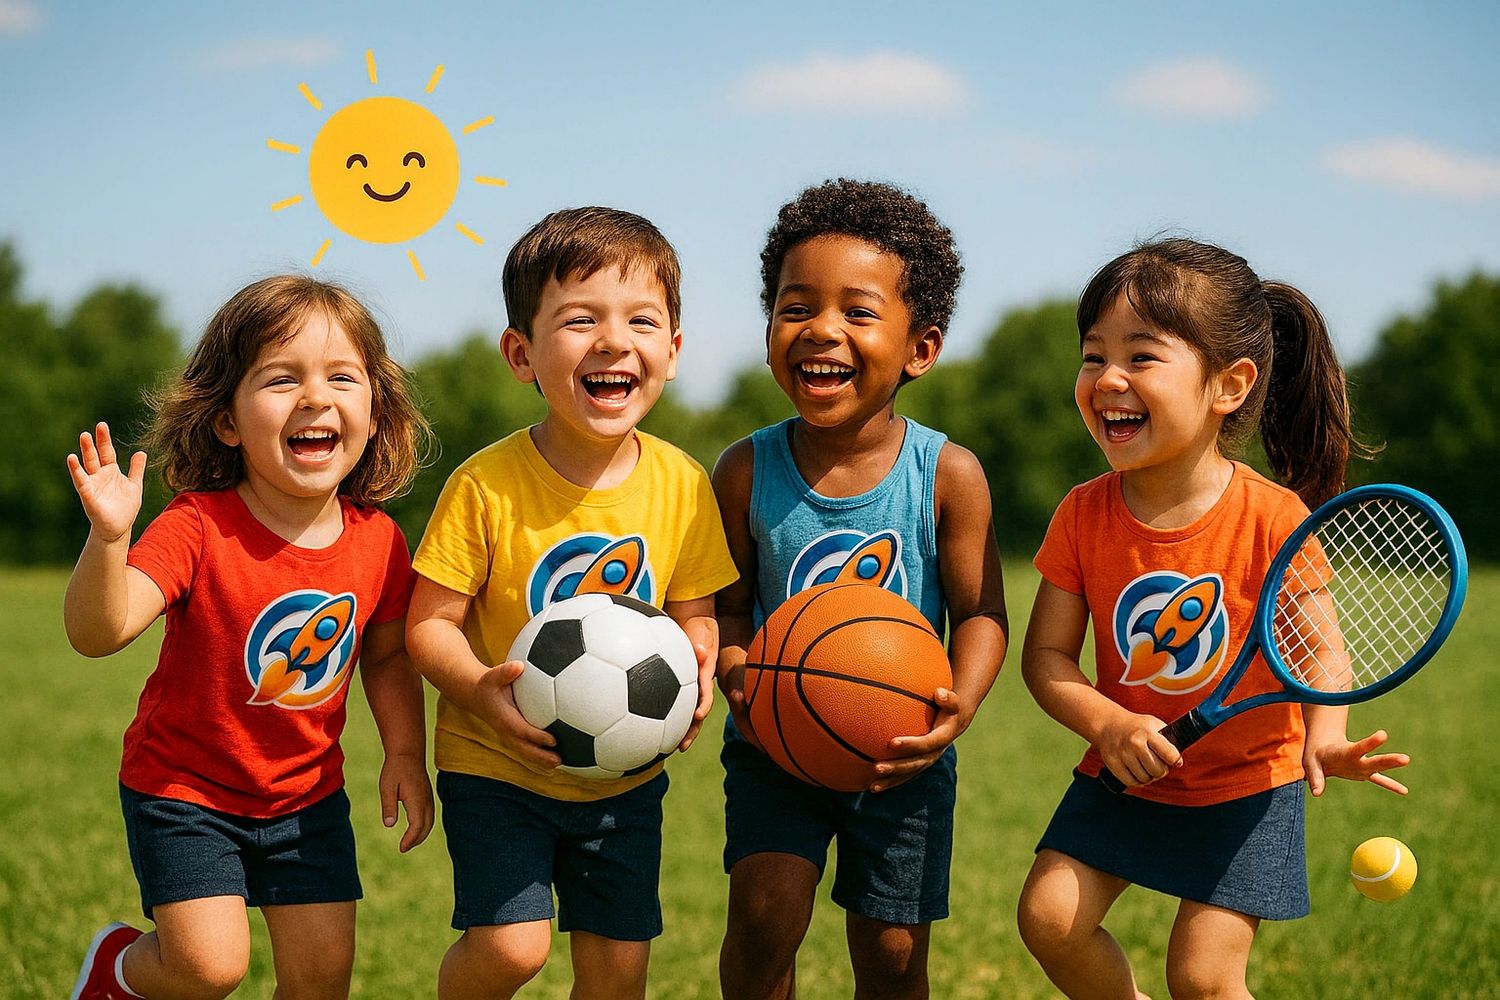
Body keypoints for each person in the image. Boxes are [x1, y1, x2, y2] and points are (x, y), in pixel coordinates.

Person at [1016, 238, 1411, 999]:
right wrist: (1108, 725)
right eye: (1093, 356)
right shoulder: (1081, 514)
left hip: (1245, 788)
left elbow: (1320, 653)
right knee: (1050, 917)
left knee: (1202, 978)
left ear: (1229, 385)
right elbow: (1048, 662)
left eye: (1142, 355)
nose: (1109, 379)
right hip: (1128, 774)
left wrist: (1325, 733)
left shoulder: (1273, 519)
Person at [63, 275, 435, 1000]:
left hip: (307, 801)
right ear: (227, 419)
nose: (315, 397)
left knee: (322, 979)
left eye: (342, 377)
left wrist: (404, 754)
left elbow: (387, 658)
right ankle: (117, 968)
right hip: (185, 791)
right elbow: (98, 633)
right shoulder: (198, 525)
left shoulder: (381, 542)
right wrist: (109, 539)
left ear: (374, 408)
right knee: (208, 968)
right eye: (280, 379)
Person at [405, 206, 739, 1000]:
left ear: (673, 350)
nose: (613, 341)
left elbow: (697, 614)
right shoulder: (485, 485)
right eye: (579, 319)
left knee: (619, 973)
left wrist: (699, 661)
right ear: (521, 353)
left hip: (623, 783)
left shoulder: (684, 484)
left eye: (641, 321)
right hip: (496, 767)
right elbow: (428, 625)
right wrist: (479, 692)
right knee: (512, 950)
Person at [713, 178, 1009, 1000]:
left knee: (890, 952)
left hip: (902, 752)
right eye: (795, 305)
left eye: (859, 312)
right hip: (775, 743)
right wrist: (738, 668)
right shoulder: (744, 469)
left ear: (921, 348)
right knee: (764, 914)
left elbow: (982, 612)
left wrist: (962, 704)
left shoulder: (948, 474)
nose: (821, 331)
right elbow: (731, 605)